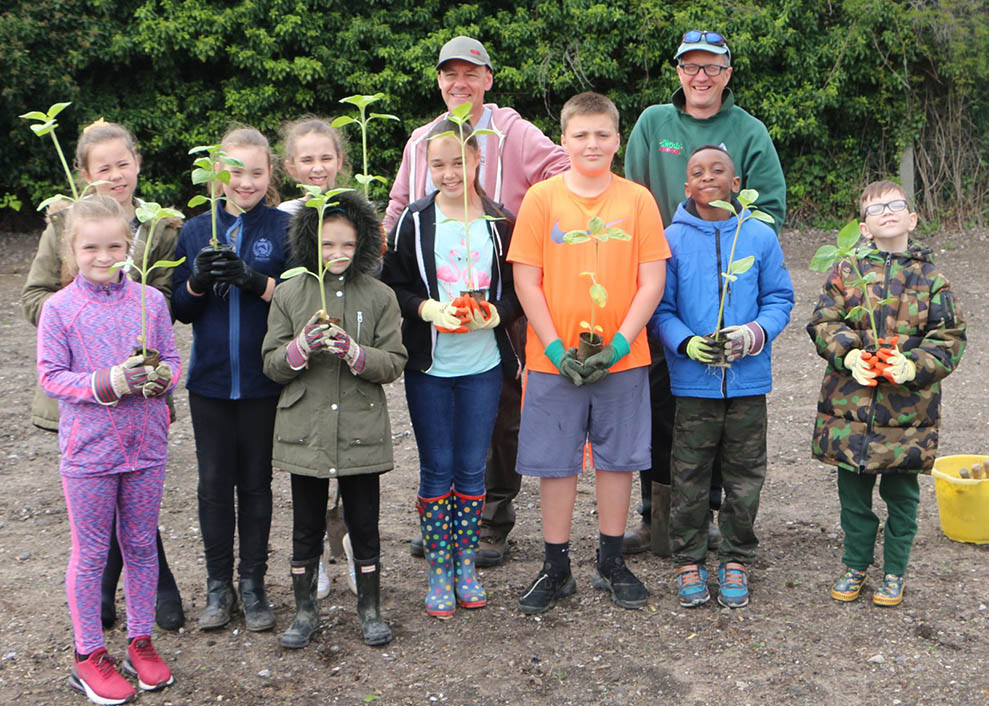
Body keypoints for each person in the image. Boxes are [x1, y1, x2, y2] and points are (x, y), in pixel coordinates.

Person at [386, 35, 569, 566]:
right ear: (440, 82)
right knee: (435, 402)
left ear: (488, 78)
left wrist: (515, 222)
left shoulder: (510, 129)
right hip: (434, 293)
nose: (459, 83)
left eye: (471, 73)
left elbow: (561, 171)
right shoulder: (425, 137)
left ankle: (492, 518)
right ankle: (441, 515)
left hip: (494, 282)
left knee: (500, 408)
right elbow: (400, 203)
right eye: (450, 75)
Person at [624, 29, 787, 557]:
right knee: (661, 406)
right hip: (664, 279)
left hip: (726, 288)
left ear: (727, 73)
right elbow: (633, 196)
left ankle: (712, 515)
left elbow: (770, 210)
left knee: (722, 411)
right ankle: (657, 517)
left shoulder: (749, 130)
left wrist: (731, 251)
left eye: (712, 67)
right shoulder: (654, 123)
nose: (701, 76)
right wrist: (662, 253)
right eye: (691, 66)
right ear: (678, 72)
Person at [20, 119, 185, 631]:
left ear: (138, 164)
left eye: (123, 164)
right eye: (102, 168)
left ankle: (142, 630)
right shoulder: (64, 229)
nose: (115, 175)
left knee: (138, 529)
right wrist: (79, 318)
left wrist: (157, 372)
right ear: (85, 175)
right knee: (92, 542)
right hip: (88, 421)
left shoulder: (161, 226)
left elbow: (165, 323)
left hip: (144, 419)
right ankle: (91, 634)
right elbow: (40, 315)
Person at [509, 91, 669, 615]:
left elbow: (651, 281)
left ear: (618, 140)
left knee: (617, 459)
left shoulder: (638, 200)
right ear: (564, 139)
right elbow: (526, 279)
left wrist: (620, 343)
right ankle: (556, 567)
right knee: (555, 463)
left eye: (602, 134)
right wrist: (555, 348)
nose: (592, 143)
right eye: (581, 135)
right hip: (553, 357)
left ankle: (611, 560)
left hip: (623, 357)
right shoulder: (542, 199)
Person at [37, 196, 180, 705]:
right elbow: (52, 377)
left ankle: (140, 641)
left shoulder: (151, 302)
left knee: (141, 544)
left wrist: (161, 377)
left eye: (115, 246)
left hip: (146, 445)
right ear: (72, 249)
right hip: (89, 452)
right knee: (93, 550)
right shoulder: (59, 309)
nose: (104, 256)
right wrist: (110, 380)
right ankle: (88, 654)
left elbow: (172, 363)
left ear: (131, 246)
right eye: (91, 247)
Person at [381, 119, 521, 618]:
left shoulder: (499, 222)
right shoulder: (413, 222)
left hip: (483, 364)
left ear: (477, 160)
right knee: (436, 467)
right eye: (437, 164)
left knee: (471, 466)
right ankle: (438, 569)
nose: (448, 173)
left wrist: (495, 313)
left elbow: (518, 291)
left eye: (458, 162)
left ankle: (465, 563)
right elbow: (391, 285)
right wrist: (426, 309)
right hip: (431, 366)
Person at [807, 180, 965, 607]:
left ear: (912, 219)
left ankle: (894, 571)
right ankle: (855, 564)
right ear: (864, 227)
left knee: (902, 497)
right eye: (877, 209)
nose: (889, 212)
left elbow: (949, 338)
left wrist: (915, 366)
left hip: (908, 415)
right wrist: (849, 354)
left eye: (897, 205)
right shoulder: (846, 271)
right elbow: (824, 321)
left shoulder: (933, 279)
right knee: (853, 498)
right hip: (850, 412)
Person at [650, 145, 793, 609]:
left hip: (748, 382)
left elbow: (779, 298)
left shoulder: (758, 237)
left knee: (746, 474)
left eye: (718, 171)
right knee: (688, 472)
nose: (707, 177)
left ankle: (737, 556)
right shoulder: (670, 239)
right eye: (697, 172)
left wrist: (755, 333)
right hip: (694, 385)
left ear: (736, 185)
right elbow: (661, 310)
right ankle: (688, 559)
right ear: (686, 186)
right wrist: (687, 343)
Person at [262, 190, 406, 646]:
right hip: (305, 430)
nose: (337, 254)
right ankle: (304, 611)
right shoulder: (288, 293)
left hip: (361, 432)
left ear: (363, 243)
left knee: (365, 523)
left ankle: (370, 608)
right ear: (311, 244)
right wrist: (300, 348)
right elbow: (271, 363)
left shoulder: (380, 296)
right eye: (327, 245)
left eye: (347, 245)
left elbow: (395, 361)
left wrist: (356, 353)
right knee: (305, 525)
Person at [171, 126, 291, 632]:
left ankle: (254, 583)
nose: (246, 182)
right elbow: (178, 309)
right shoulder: (198, 229)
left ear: (270, 174)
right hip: (211, 384)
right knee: (215, 485)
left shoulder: (283, 230)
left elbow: (294, 300)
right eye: (235, 172)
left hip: (262, 382)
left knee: (258, 485)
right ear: (217, 175)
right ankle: (218, 586)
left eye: (257, 172)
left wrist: (253, 280)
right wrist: (198, 282)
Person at [278, 115, 356, 599]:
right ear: (290, 166)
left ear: (340, 162)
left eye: (326, 157)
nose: (317, 167)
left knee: (351, 461)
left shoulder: (353, 207)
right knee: (308, 463)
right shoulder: (285, 214)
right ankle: (312, 557)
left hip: (347, 356)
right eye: (307, 159)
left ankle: (346, 543)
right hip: (304, 354)